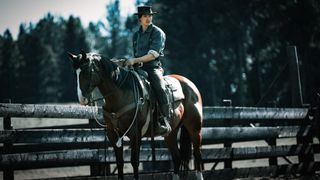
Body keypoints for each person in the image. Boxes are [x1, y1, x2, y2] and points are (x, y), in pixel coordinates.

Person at [125, 5, 171, 136]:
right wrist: (129, 62)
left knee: (160, 87)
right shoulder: (135, 35)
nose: (148, 18)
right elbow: (135, 55)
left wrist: (134, 60)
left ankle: (164, 120)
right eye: (145, 16)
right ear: (139, 18)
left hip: (153, 67)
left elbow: (153, 55)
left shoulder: (158, 33)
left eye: (150, 15)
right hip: (137, 67)